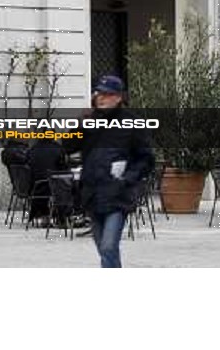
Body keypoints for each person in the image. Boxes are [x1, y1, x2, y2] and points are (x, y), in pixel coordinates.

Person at [64, 75, 154, 268]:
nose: (102, 98)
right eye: (99, 94)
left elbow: (146, 158)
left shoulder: (132, 123)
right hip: (92, 193)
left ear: (119, 97)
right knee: (104, 248)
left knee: (108, 246)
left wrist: (127, 179)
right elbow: (69, 147)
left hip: (118, 194)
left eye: (107, 94)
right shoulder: (89, 121)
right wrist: (79, 124)